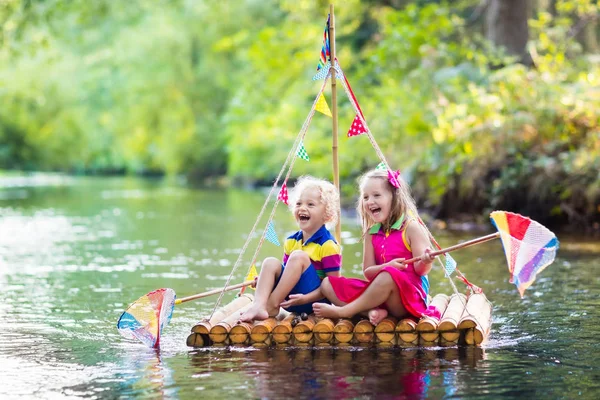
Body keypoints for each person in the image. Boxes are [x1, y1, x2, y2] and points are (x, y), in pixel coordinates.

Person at [313, 169, 438, 325]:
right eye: (365, 197)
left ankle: (345, 311)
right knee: (328, 284)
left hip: (407, 300)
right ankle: (371, 311)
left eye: (376, 195)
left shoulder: (411, 228)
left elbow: (421, 270)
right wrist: (387, 266)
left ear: (394, 197)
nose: (370, 201)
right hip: (380, 295)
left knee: (388, 275)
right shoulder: (371, 234)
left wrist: (426, 261)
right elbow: (368, 273)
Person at [240, 175, 342, 322]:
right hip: (289, 300)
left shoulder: (328, 245)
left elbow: (333, 286)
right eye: (299, 204)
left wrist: (305, 298)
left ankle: (270, 305)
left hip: (314, 302)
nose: (302, 208)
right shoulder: (291, 241)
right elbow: (286, 276)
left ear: (327, 214)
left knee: (298, 257)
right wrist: (267, 281)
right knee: (270, 263)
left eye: (310, 205)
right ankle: (259, 304)